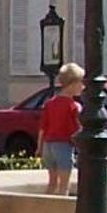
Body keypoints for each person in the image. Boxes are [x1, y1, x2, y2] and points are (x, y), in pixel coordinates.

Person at [41, 63, 85, 195]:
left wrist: (39, 147)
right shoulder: (74, 106)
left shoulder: (49, 103)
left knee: (52, 183)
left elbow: (43, 128)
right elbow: (80, 128)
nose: (83, 87)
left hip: (48, 146)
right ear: (73, 84)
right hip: (64, 145)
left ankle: (45, 210)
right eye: (81, 83)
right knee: (64, 186)